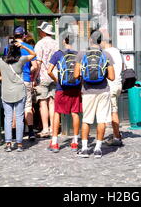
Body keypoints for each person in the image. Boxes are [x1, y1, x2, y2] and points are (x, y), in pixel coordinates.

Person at [74, 28, 115, 158]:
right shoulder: (106, 55)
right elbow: (112, 77)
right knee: (101, 120)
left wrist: (85, 75)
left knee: (86, 120)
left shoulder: (82, 54)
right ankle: (98, 149)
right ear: (100, 41)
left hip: (87, 91)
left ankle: (85, 149)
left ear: (90, 40)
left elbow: (75, 75)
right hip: (103, 91)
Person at [0, 41, 36, 152]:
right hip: (19, 91)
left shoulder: (0, 61)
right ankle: (19, 144)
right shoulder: (21, 60)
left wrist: (7, 78)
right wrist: (24, 46)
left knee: (7, 118)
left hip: (6, 92)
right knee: (19, 118)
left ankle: (8, 143)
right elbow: (34, 55)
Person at [47, 33, 82, 152]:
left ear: (64, 41)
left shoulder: (58, 54)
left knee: (58, 113)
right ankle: (75, 142)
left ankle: (55, 143)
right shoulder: (78, 54)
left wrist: (57, 80)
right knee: (75, 113)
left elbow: (49, 71)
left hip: (61, 88)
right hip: (75, 88)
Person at [5, 27, 38, 141]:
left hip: (13, 80)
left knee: (14, 107)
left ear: (14, 36)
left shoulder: (7, 48)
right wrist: (28, 71)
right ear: (24, 36)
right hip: (26, 79)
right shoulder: (29, 47)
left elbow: (6, 64)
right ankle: (31, 132)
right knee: (28, 106)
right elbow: (35, 66)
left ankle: (14, 133)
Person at [33, 21, 58, 138]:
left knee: (43, 103)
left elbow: (37, 63)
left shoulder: (39, 44)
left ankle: (45, 128)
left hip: (42, 76)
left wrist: (34, 77)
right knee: (52, 102)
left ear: (43, 32)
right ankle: (54, 127)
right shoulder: (56, 43)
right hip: (54, 76)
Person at [101, 31, 124, 147]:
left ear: (104, 42)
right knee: (112, 110)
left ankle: (116, 137)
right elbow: (122, 67)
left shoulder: (105, 53)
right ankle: (116, 134)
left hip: (110, 85)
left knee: (112, 112)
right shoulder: (117, 51)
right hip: (118, 83)